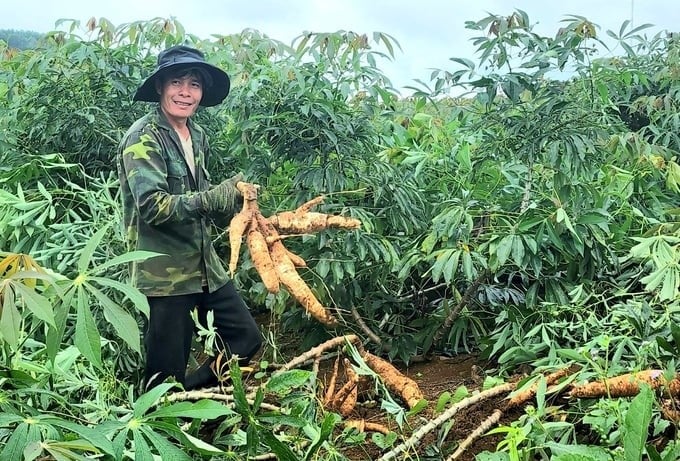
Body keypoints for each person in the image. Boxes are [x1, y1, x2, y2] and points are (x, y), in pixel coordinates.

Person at [116, 44, 262, 391]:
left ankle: (193, 395)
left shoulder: (196, 135)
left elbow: (200, 196)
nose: (185, 92)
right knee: (163, 375)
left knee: (245, 339)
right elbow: (152, 206)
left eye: (194, 84)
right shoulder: (143, 138)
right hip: (164, 275)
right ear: (160, 87)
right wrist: (212, 198)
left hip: (204, 268)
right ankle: (162, 428)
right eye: (177, 82)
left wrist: (234, 197)